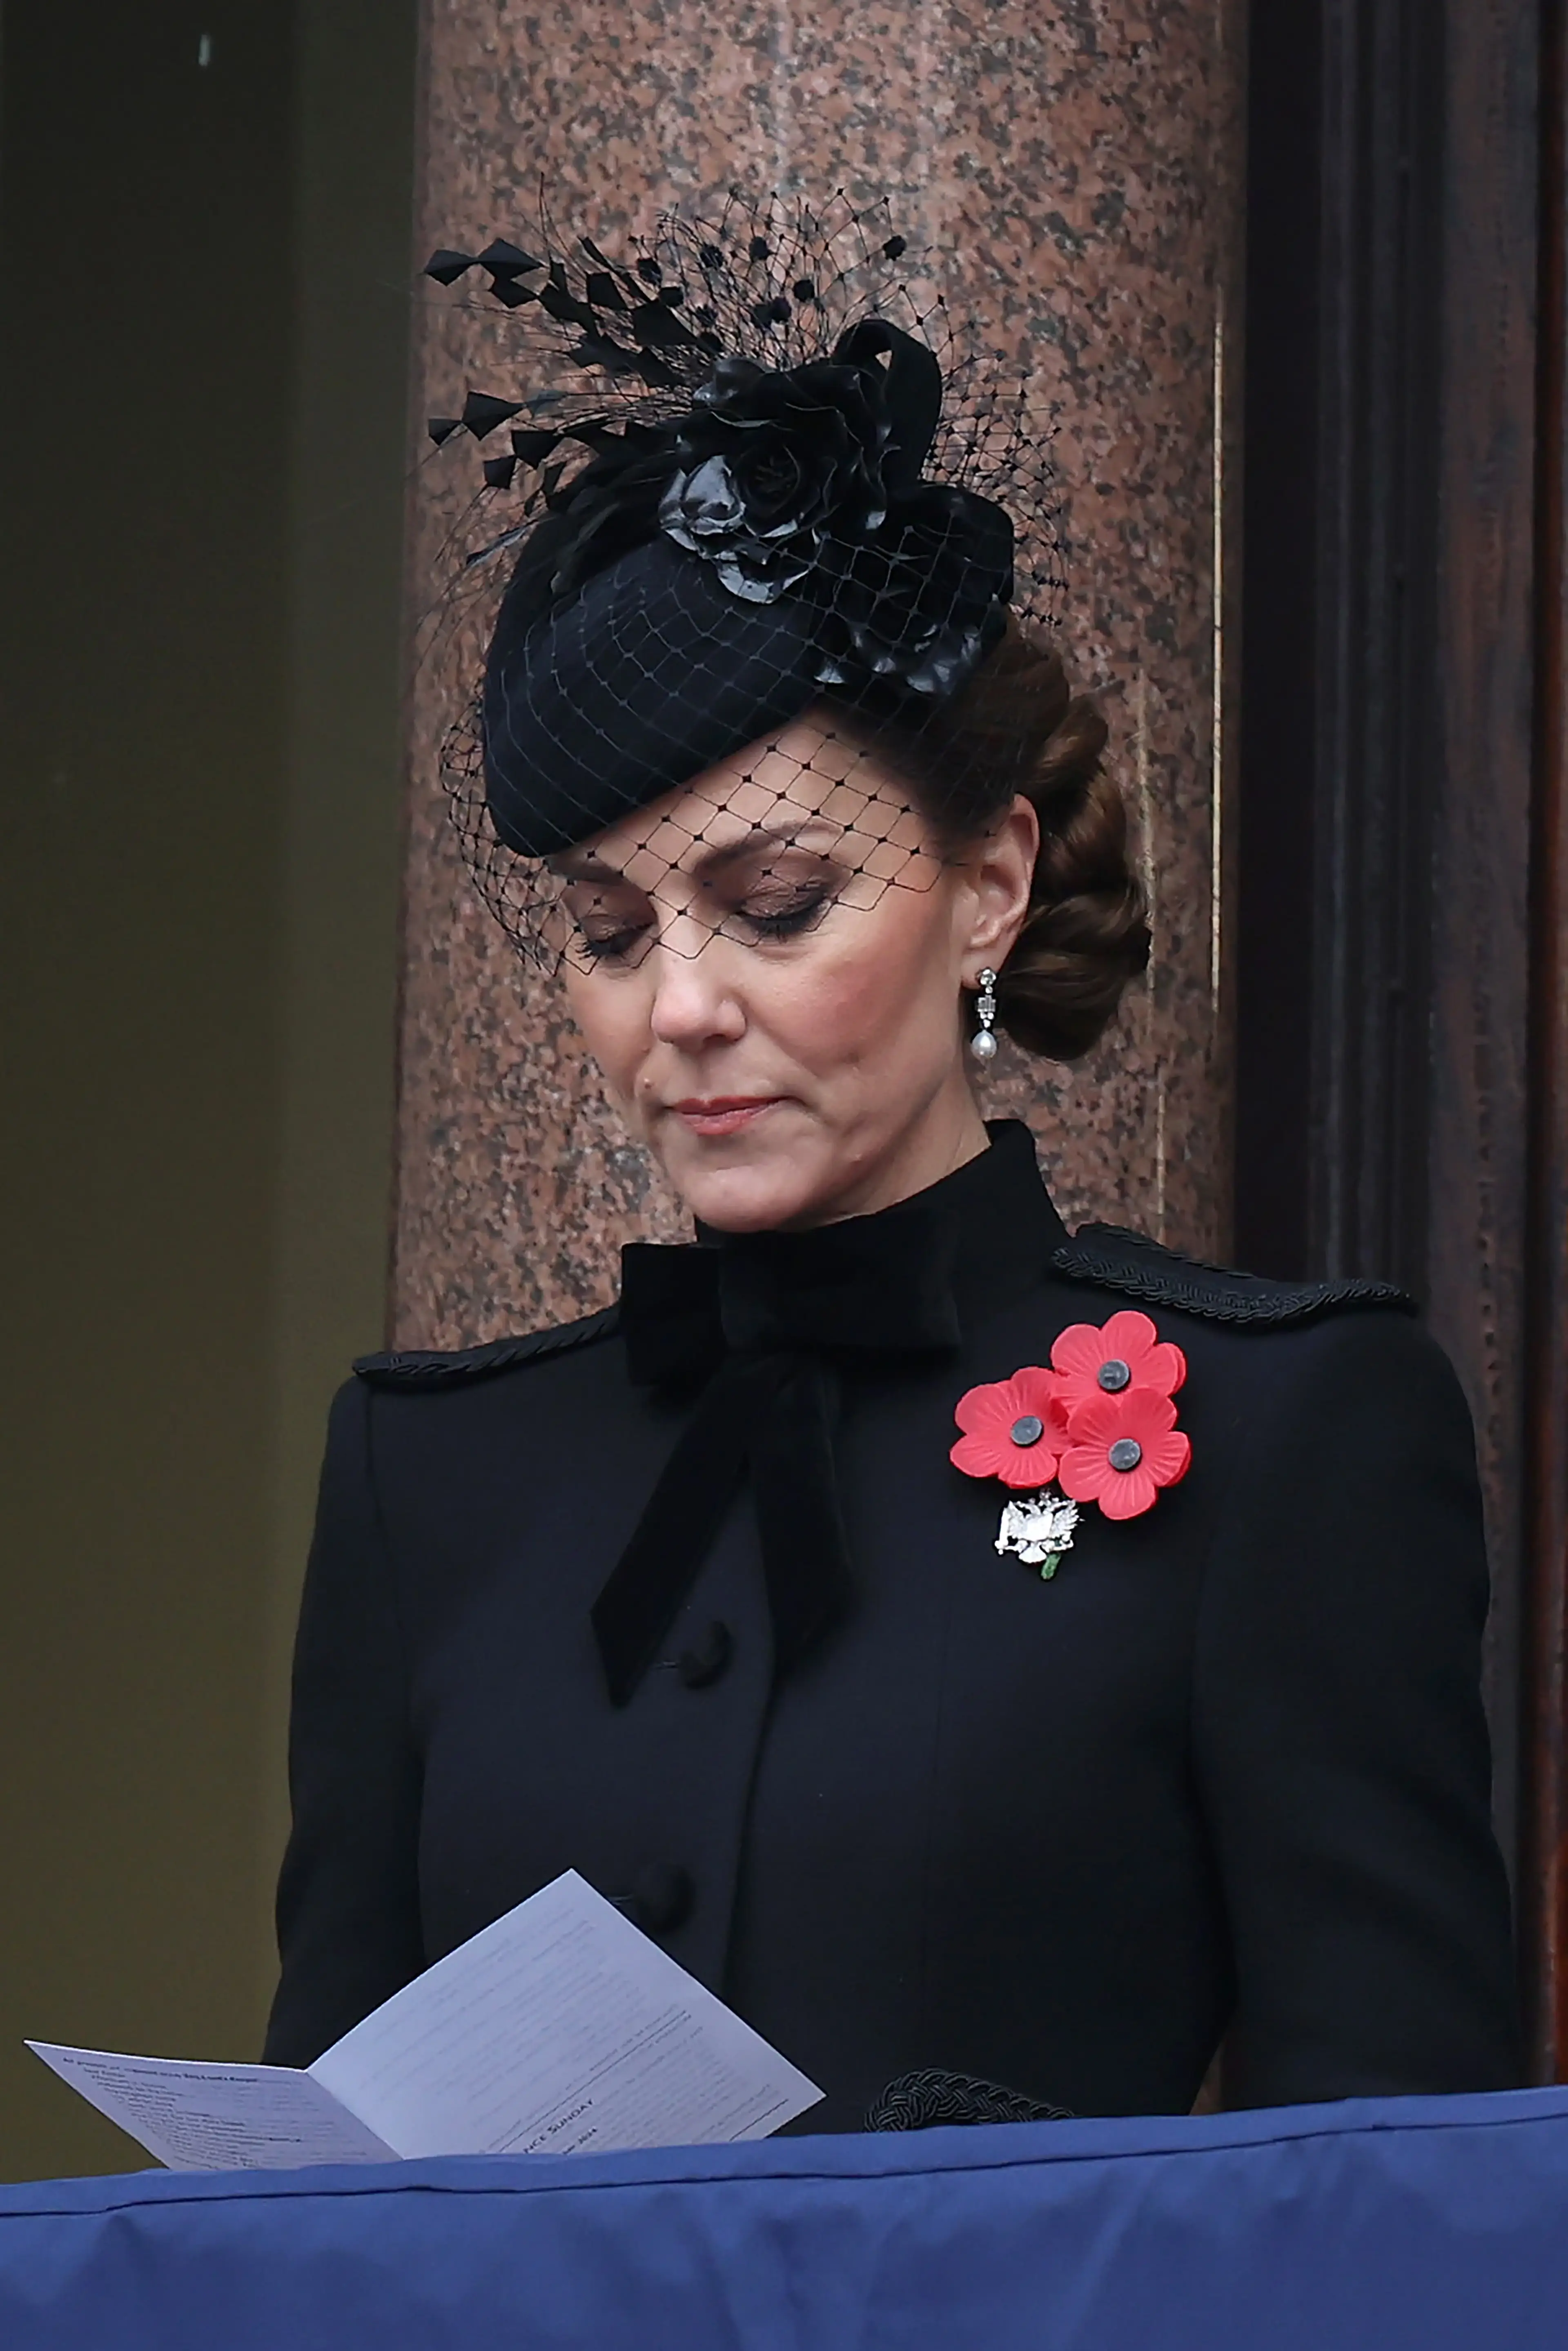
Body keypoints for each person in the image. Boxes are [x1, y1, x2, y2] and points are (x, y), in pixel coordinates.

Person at [263, 200, 1519, 2124]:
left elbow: (1396, 2202)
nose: (678, 1005)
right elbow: (319, 2192)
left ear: (989, 885)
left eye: (774, 904)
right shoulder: (426, 1483)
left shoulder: (1292, 1430)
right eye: (612, 930)